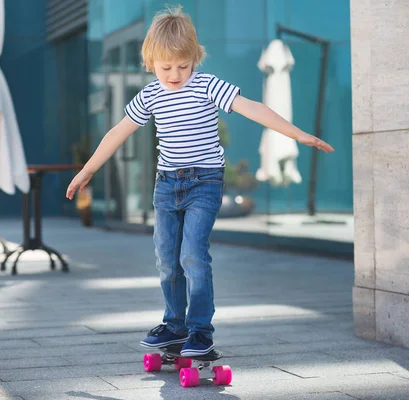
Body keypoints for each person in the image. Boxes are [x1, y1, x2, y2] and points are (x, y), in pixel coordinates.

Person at [66, 5, 334, 357]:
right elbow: (119, 132)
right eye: (166, 68)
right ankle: (174, 326)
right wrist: (88, 169)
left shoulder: (208, 86)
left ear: (195, 58)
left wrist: (297, 134)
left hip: (205, 183)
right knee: (166, 258)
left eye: (183, 65)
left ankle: (200, 331)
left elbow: (252, 107)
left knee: (192, 254)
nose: (175, 74)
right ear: (150, 62)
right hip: (166, 185)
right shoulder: (150, 94)